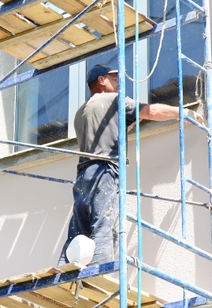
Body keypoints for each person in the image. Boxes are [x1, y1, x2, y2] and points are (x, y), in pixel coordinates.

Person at [59, 65, 182, 266]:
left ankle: (65, 271)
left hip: (83, 177)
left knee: (78, 234)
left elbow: (112, 129)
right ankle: (99, 274)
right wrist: (182, 112)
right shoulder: (113, 100)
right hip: (103, 172)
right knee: (104, 227)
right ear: (101, 80)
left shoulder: (81, 111)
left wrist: (129, 121)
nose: (118, 84)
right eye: (114, 79)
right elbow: (151, 111)